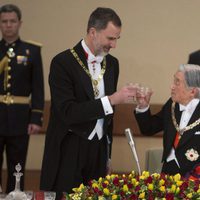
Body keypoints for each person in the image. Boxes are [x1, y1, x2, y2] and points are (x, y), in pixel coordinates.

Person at [40, 7, 136, 199]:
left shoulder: (112, 64)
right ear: (93, 32)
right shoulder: (62, 62)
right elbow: (67, 111)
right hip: (69, 147)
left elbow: (109, 116)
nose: (114, 45)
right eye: (110, 38)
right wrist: (111, 100)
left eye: (117, 39)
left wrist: (107, 154)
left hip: (98, 148)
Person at [0, 4, 44, 192]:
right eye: (4, 21)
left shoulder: (31, 51)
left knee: (16, 166)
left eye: (12, 21)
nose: (8, 25)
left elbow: (38, 87)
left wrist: (36, 117)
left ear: (20, 23)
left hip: (19, 118)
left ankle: (14, 196)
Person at [134, 64, 200, 177]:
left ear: (192, 92)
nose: (172, 86)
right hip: (168, 174)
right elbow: (148, 128)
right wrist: (143, 106)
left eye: (177, 82)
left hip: (194, 177)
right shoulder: (172, 104)